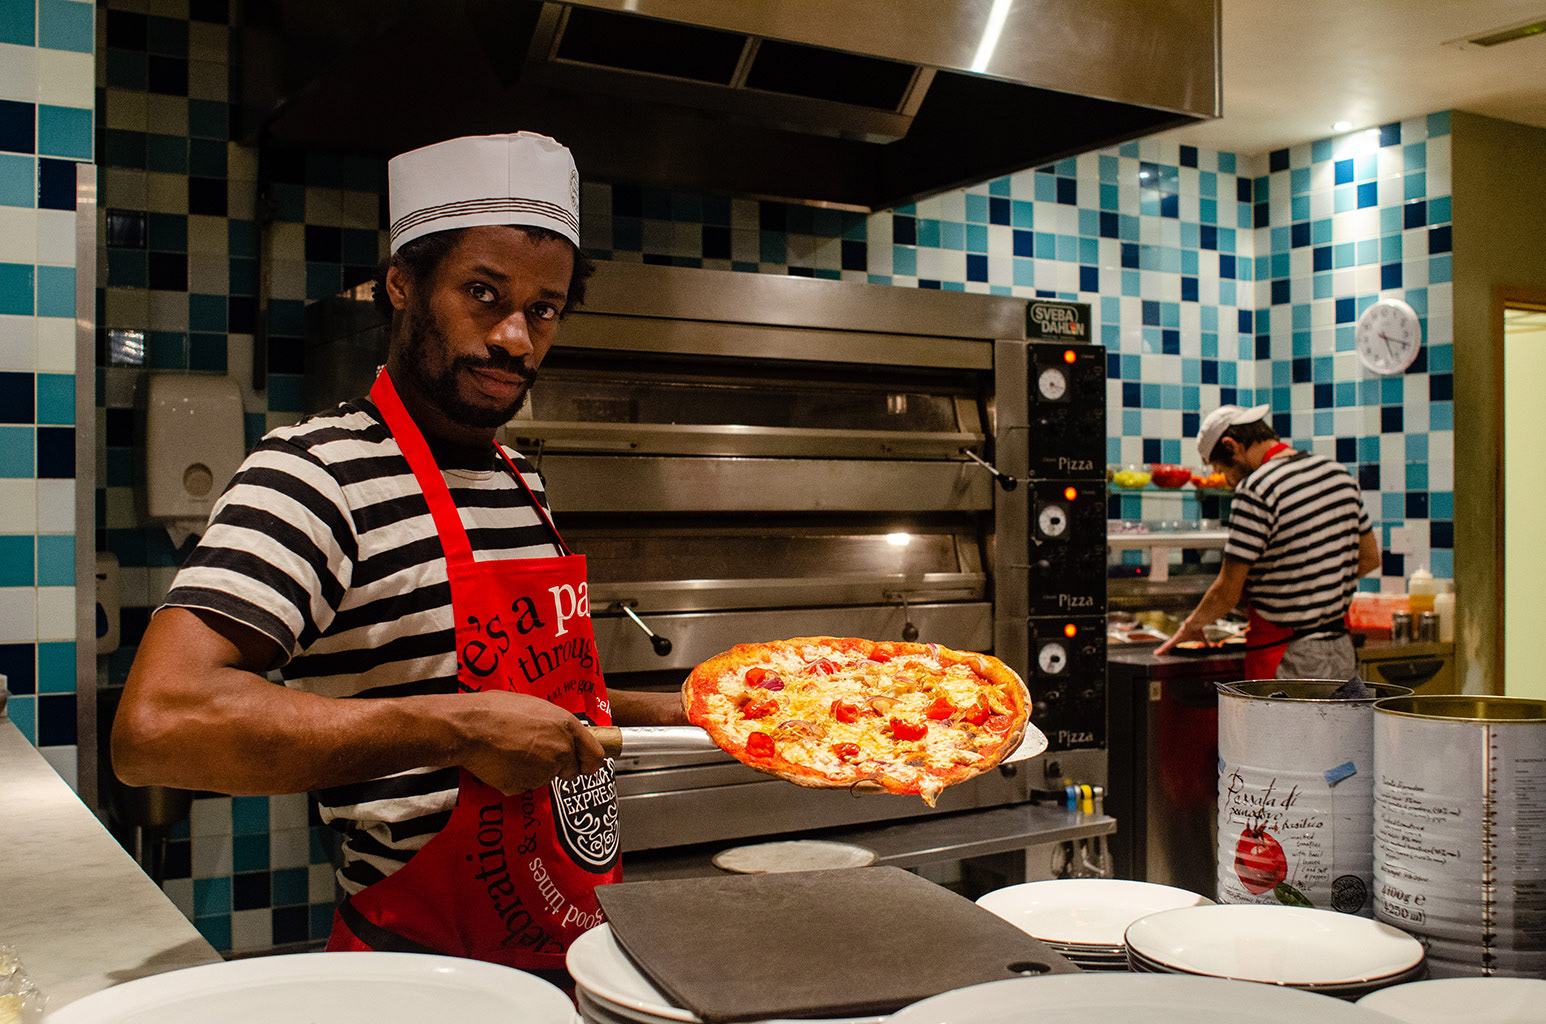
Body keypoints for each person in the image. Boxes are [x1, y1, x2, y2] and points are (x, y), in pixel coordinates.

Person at [112, 132, 686, 976]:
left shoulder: (518, 477)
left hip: (575, 952)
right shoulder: (314, 473)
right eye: (483, 295)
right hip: (422, 972)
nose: (517, 338)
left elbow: (539, 707)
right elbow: (157, 727)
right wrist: (456, 730)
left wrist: (686, 714)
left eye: (545, 308)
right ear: (402, 286)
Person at [1154, 403, 1381, 679]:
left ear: (1231, 445)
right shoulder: (1338, 474)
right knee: (1335, 723)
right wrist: (1318, 587)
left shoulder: (1257, 489)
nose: (1227, 480)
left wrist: (1190, 626)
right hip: (1341, 652)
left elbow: (1227, 591)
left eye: (1222, 469)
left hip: (1286, 659)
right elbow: (1370, 559)